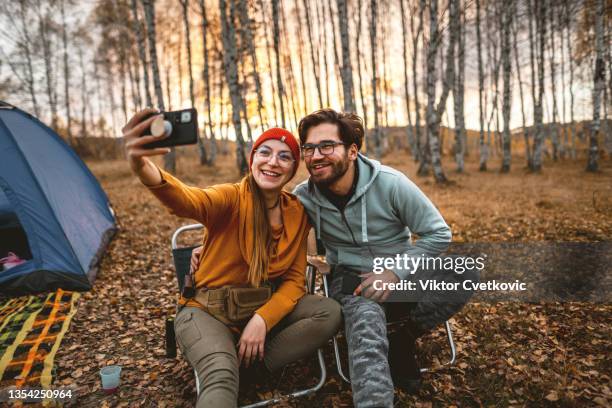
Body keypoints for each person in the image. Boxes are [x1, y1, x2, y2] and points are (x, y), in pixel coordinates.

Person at [121, 108, 341, 408]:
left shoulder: (297, 212)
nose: (272, 162)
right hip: (206, 312)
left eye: (284, 156)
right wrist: (140, 164)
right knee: (220, 376)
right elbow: (186, 200)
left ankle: (250, 368)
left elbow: (293, 282)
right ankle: (225, 370)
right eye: (265, 152)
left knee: (328, 311)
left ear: (292, 169)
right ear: (253, 159)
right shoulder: (230, 198)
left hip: (257, 306)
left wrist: (262, 320)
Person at [293, 109, 477, 407]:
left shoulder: (390, 183)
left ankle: (403, 341)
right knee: (367, 340)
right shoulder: (304, 196)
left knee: (464, 271)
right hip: (353, 281)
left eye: (327, 146)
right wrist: (207, 245)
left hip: (400, 274)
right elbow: (264, 227)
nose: (316, 156)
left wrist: (393, 273)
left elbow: (438, 233)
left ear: (352, 151)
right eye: (309, 148)